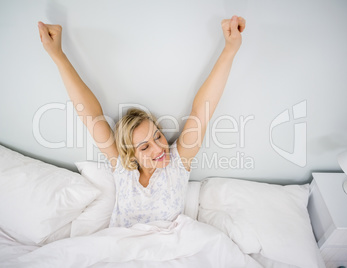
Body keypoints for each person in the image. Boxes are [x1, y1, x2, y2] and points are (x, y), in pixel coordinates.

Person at [37, 15, 246, 228]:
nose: (159, 148)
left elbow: (202, 111)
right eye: (145, 146)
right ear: (131, 155)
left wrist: (230, 49)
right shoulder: (123, 169)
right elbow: (91, 116)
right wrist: (57, 55)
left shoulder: (177, 164)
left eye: (157, 136)